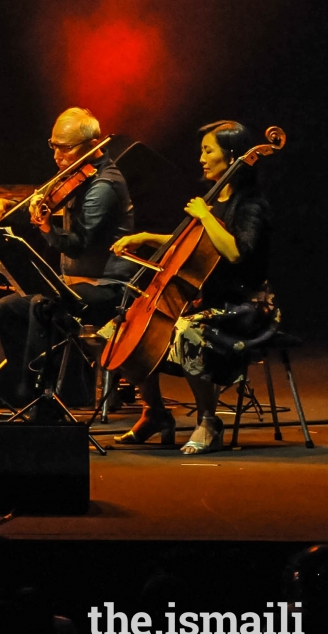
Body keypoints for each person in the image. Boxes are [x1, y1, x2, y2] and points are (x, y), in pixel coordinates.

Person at [109, 121, 274, 454]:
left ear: (231, 156)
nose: (201, 157)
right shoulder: (215, 199)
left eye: (208, 150)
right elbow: (195, 245)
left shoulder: (250, 204)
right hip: (208, 299)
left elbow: (235, 252)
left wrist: (206, 215)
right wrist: (147, 237)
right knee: (119, 331)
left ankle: (209, 422)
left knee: (187, 331)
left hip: (243, 306)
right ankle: (154, 413)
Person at [0, 107, 135, 407]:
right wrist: (8, 203)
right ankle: (23, 388)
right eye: (54, 146)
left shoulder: (104, 186)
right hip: (73, 284)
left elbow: (78, 245)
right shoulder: (74, 176)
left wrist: (47, 227)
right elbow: (43, 201)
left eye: (65, 149)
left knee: (43, 306)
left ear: (93, 145)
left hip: (106, 287)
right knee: (6, 309)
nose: (57, 156)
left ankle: (51, 395)